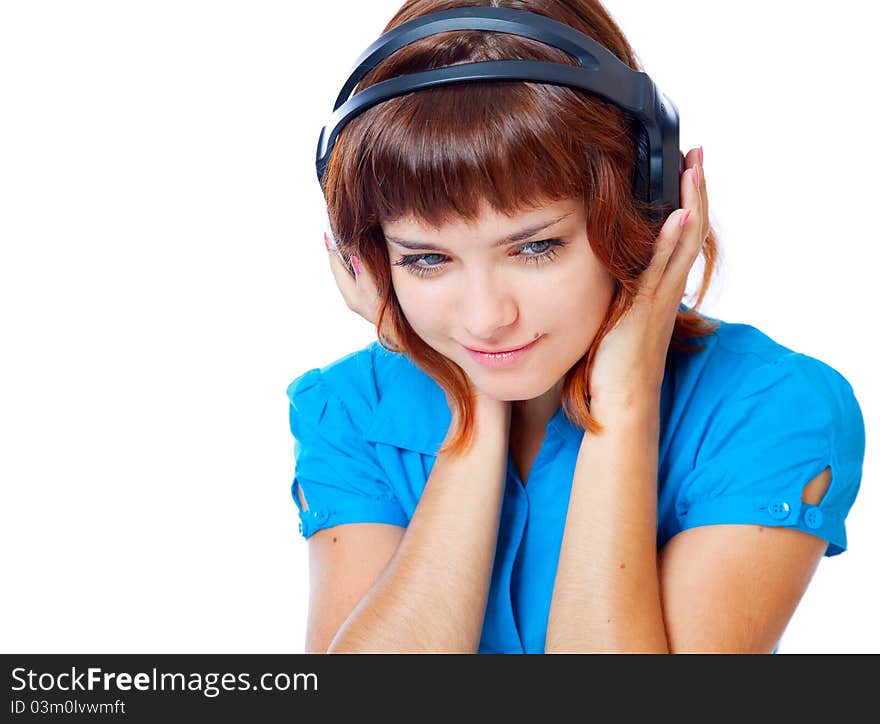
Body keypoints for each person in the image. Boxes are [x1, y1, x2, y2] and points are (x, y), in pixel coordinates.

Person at [286, 0, 865, 653]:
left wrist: (624, 398)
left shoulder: (769, 408)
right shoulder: (348, 409)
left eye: (535, 248)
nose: (486, 319)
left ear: (645, 204)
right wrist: (471, 401)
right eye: (427, 260)